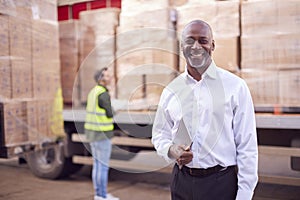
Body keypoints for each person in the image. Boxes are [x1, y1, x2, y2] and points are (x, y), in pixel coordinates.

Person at [152, 20, 258, 200]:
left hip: (220, 184)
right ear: (182, 46)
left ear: (212, 45)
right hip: (181, 182)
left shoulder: (235, 87)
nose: (196, 46)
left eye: (202, 40)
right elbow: (159, 134)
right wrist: (171, 150)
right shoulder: (171, 90)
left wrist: (244, 194)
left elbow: (247, 146)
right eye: (190, 41)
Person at [84, 67, 119, 200]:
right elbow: (110, 113)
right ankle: (102, 195)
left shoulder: (93, 91)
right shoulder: (103, 93)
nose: (109, 78)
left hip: (92, 134)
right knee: (103, 166)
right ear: (101, 79)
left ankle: (99, 194)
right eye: (106, 76)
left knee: (97, 165)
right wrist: (115, 110)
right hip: (102, 135)